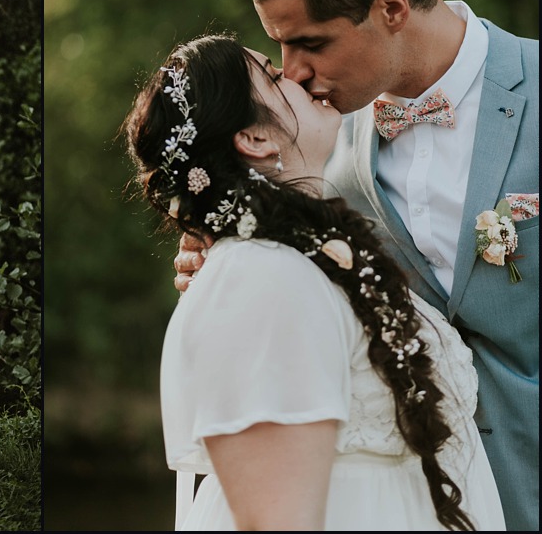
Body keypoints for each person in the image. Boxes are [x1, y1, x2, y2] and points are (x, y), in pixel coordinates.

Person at [173, 0, 539, 531]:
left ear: (391, 6)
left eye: (310, 44)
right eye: (279, 47)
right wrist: (219, 250)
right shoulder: (314, 140)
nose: (292, 73)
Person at [124, 33, 506, 530]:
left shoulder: (301, 260)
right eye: (275, 75)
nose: (298, 74)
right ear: (256, 139)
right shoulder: (261, 277)